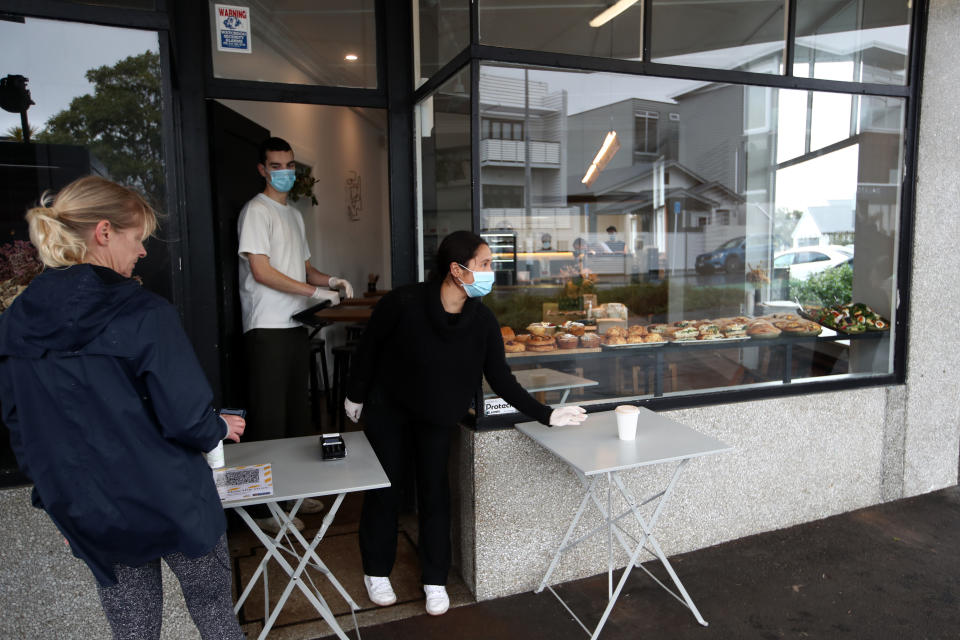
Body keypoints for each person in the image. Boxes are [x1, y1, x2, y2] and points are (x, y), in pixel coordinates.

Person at [0, 176, 247, 640]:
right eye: (138, 239)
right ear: (105, 232)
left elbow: (22, 430)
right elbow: (187, 418)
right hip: (174, 499)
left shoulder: (15, 322)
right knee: (213, 613)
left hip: (94, 509)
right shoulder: (144, 314)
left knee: (133, 631)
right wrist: (216, 425)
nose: (143, 252)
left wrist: (64, 506)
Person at [342, 230, 588, 616]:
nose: (492, 272)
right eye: (485, 264)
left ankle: (434, 579)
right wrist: (355, 394)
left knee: (435, 492)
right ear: (457, 270)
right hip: (389, 408)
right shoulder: (403, 303)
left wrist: (547, 413)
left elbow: (502, 379)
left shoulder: (482, 321)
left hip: (438, 414)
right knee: (385, 490)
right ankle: (376, 570)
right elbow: (369, 347)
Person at [237, 136, 354, 532]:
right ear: (262, 169)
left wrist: (332, 280)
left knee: (296, 415)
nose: (283, 172)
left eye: (289, 165)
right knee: (268, 420)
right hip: (265, 326)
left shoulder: (294, 215)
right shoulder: (257, 210)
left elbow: (306, 269)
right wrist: (314, 291)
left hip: (293, 325)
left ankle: (295, 492)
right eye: (275, 165)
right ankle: (264, 508)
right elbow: (262, 271)